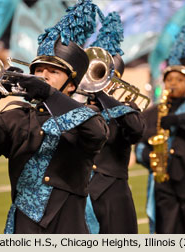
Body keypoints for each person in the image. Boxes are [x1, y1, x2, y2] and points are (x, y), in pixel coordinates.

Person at [0, 0, 109, 234]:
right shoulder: (16, 117)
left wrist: (48, 93)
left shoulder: (87, 116)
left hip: (69, 224)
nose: (43, 76)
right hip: (23, 225)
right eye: (38, 71)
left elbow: (96, 133)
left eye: (53, 72)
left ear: (71, 84)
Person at [135, 24, 185, 233]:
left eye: (179, 80)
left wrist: (177, 120)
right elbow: (139, 143)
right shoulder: (154, 111)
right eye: (169, 79)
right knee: (168, 232)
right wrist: (151, 158)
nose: (173, 84)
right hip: (165, 182)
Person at [82, 52, 145, 234]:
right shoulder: (75, 107)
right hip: (79, 190)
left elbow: (136, 131)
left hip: (112, 193)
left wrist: (104, 97)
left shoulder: (126, 109)